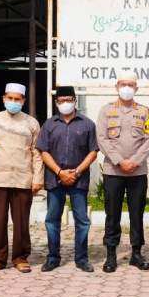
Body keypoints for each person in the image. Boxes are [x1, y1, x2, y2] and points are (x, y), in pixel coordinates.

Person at [96, 70, 149, 272]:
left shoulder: (145, 111)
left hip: (138, 173)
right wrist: (120, 161)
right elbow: (102, 139)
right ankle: (111, 255)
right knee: (111, 213)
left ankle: (136, 254)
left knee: (136, 214)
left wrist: (135, 161)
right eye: (123, 84)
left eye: (130, 85)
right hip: (113, 171)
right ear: (116, 87)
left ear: (136, 88)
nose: (126, 89)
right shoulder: (106, 110)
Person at [0, 83, 44, 275]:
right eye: (10, 98)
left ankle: (20, 257)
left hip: (23, 178)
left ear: (24, 101)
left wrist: (37, 178)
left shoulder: (32, 123)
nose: (13, 102)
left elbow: (37, 152)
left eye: (17, 99)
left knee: (21, 221)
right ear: (3, 98)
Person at [37, 86, 99, 272]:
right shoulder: (49, 124)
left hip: (78, 181)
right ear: (56, 102)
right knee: (52, 220)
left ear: (75, 100)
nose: (65, 103)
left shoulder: (87, 124)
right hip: (55, 179)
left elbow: (93, 151)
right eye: (61, 100)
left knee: (82, 220)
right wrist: (59, 172)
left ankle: (81, 258)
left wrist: (76, 172)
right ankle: (53, 258)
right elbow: (43, 151)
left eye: (69, 99)